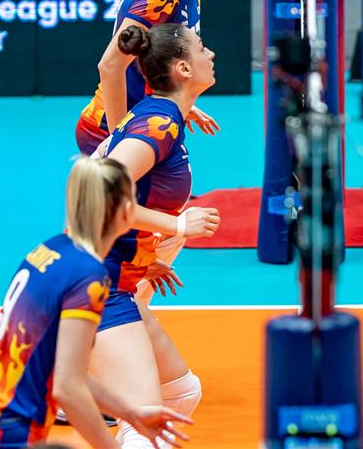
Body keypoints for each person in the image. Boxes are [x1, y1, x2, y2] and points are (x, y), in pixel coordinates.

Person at [0, 158, 193, 449]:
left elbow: (64, 370)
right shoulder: (90, 276)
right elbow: (68, 388)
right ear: (125, 211)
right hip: (8, 436)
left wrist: (130, 414)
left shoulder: (49, 249)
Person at [90, 23, 221, 449]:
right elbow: (103, 194)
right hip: (96, 286)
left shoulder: (162, 115)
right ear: (183, 68)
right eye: (202, 49)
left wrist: (145, 258)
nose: (210, 55)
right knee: (144, 423)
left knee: (181, 393)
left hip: (117, 275)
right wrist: (180, 226)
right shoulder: (158, 124)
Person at [76, 0, 220, 157]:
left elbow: (155, 53)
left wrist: (179, 101)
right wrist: (119, 142)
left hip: (147, 115)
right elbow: (110, 65)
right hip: (111, 125)